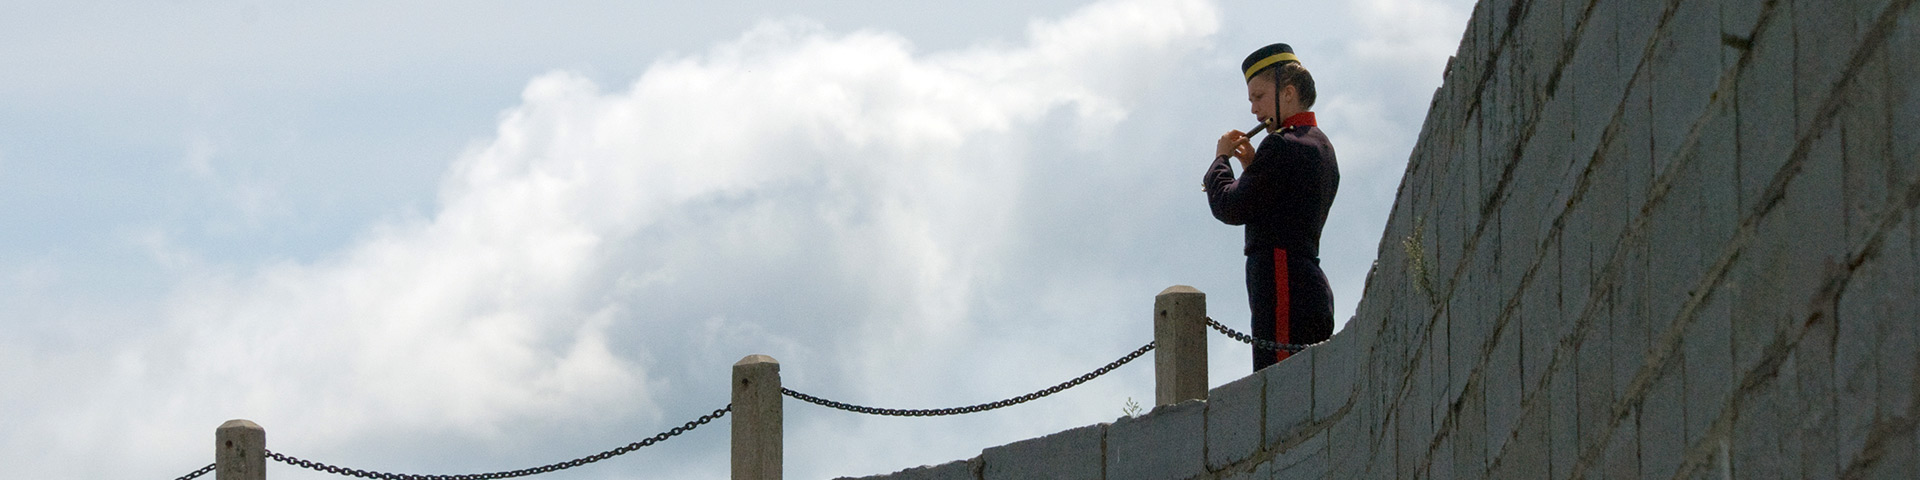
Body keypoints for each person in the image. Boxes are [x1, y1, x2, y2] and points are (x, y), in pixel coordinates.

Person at [1203, 43, 1339, 372]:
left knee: (1280, 384)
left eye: (1258, 96)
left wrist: (1220, 161)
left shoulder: (1280, 145)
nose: (1253, 109)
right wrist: (1253, 164)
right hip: (1305, 281)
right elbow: (1278, 202)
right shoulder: (1318, 143)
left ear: (1288, 93)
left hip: (1283, 286)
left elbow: (1231, 206)